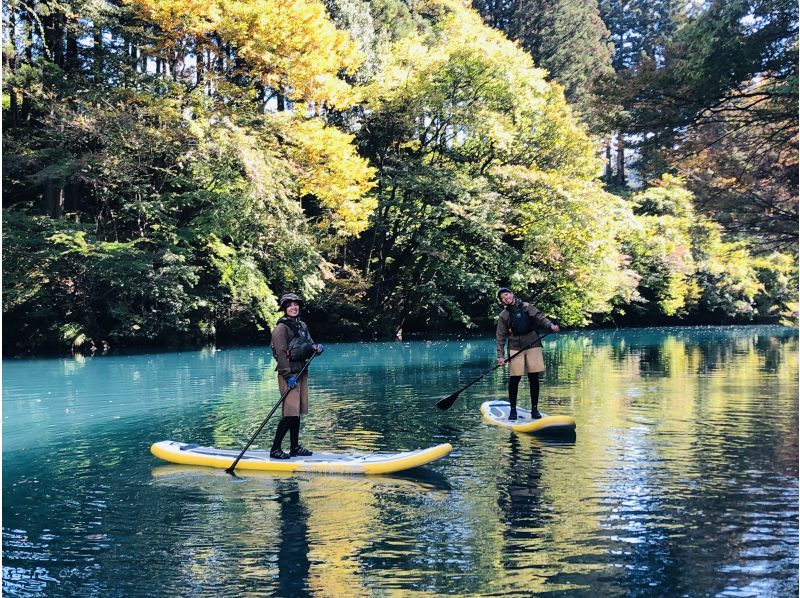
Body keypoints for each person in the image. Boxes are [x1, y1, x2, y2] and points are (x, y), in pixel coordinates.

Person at [269, 292, 324, 459]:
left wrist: (317, 348)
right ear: (285, 309)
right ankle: (275, 449)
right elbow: (279, 352)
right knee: (290, 412)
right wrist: (287, 376)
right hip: (289, 374)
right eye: (289, 305)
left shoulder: (302, 326)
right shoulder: (281, 328)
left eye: (296, 304)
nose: (294, 307)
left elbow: (309, 344)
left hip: (302, 370)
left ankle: (294, 447)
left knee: (297, 412)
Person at [495, 287, 559, 420]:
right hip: (515, 346)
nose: (506, 298)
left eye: (507, 295)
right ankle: (513, 410)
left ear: (511, 294)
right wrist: (500, 355)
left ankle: (534, 410)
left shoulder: (526, 307)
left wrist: (550, 326)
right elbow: (500, 336)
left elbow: (540, 318)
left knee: (533, 378)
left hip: (532, 343)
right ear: (502, 301)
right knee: (515, 378)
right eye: (503, 298)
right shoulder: (504, 315)